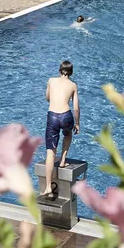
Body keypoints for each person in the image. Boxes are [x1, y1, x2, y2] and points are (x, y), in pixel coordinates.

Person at [43, 61, 79, 201]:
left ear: (60, 70)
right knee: (68, 133)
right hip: (66, 116)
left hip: (52, 116)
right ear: (71, 73)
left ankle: (48, 187)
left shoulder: (51, 81)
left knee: (50, 152)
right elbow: (76, 108)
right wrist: (77, 124)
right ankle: (63, 160)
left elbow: (47, 98)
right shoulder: (73, 85)